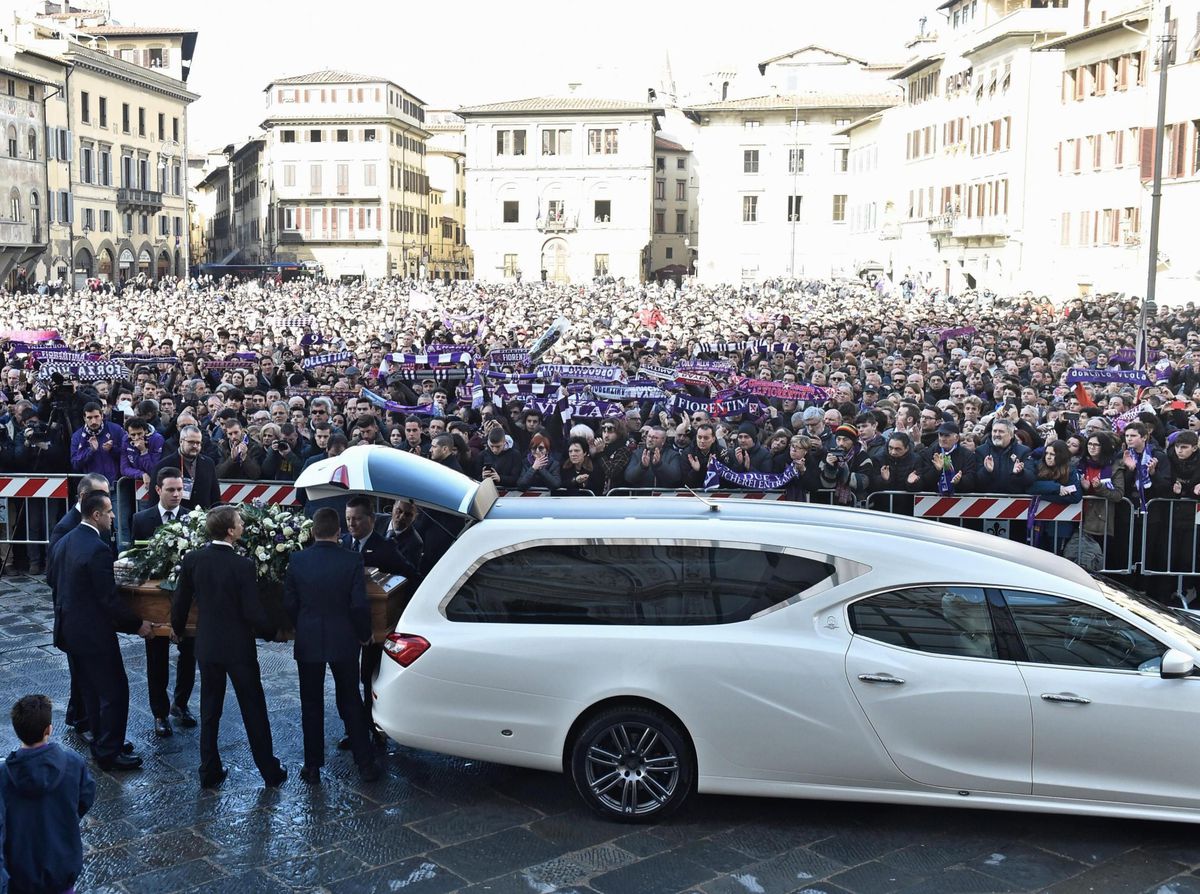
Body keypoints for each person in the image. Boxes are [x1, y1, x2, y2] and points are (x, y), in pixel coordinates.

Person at [172, 506, 287, 789]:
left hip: (208, 645)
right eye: (239, 522)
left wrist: (177, 630)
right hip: (238, 649)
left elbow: (180, 602)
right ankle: (268, 769)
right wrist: (272, 632)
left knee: (210, 709)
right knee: (253, 708)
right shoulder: (243, 565)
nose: (243, 526)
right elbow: (252, 612)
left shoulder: (193, 559)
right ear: (230, 531)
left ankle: (208, 770)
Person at [47, 492, 152, 771]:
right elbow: (108, 600)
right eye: (109, 511)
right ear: (96, 515)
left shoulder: (65, 540)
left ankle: (104, 741)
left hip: (70, 630)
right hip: (93, 633)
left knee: (91, 692)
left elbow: (52, 579)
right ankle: (109, 750)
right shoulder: (97, 549)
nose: (113, 516)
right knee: (114, 690)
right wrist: (137, 624)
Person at [286, 508, 382, 784]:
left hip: (309, 638)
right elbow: (358, 604)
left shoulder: (298, 560)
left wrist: (301, 625)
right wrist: (363, 634)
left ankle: (312, 767)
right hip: (344, 639)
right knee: (350, 698)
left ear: (313, 531)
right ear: (338, 532)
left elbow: (290, 603)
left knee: (311, 703)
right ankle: (365, 764)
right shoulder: (352, 560)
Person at [0, 695, 95, 894]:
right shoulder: (73, 763)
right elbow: (85, 796)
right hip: (61, 868)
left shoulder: (4, 775)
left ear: (18, 732)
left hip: (20, 874)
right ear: (48, 729)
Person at [131, 468, 198, 737]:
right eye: (171, 489)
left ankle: (180, 704)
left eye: (180, 489)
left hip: (187, 601)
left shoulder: (192, 517)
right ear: (158, 490)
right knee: (156, 658)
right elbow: (136, 556)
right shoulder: (141, 519)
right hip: (155, 600)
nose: (177, 494)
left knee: (189, 654)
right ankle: (159, 713)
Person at [154, 424, 221, 511]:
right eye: (191, 442)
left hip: (203, 519)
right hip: (174, 520)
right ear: (181, 441)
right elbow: (154, 499)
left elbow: (215, 496)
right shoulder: (165, 465)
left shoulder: (208, 463)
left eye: (198, 443)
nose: (195, 446)